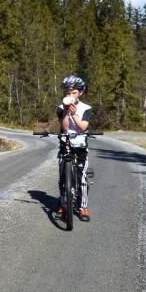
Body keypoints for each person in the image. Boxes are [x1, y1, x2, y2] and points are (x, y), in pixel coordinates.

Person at [55, 75, 92, 222]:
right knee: (63, 177)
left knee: (81, 178)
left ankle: (83, 207)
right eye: (67, 93)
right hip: (66, 145)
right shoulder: (60, 108)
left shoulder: (86, 108)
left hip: (80, 146)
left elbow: (83, 127)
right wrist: (65, 112)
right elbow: (64, 127)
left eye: (74, 93)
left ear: (80, 92)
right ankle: (64, 204)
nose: (70, 96)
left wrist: (75, 113)